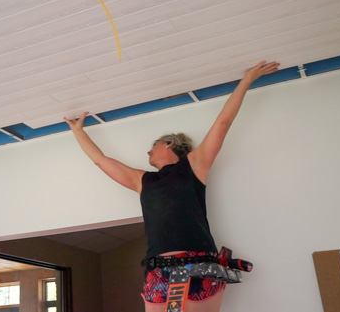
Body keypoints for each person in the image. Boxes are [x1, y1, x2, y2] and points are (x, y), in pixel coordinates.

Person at [64, 61, 279, 312]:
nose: (147, 151)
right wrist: (78, 132)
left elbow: (223, 123)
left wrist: (247, 80)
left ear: (169, 143)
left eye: (152, 146)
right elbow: (101, 161)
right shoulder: (143, 180)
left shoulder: (194, 165)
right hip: (158, 270)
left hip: (199, 265)